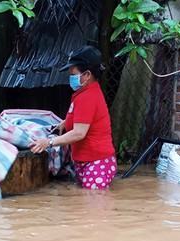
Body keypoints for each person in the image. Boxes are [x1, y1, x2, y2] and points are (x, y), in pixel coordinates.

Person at [30, 46, 117, 190]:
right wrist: (64, 123)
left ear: (87, 75)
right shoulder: (86, 93)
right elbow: (82, 118)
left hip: (95, 162)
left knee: (93, 205)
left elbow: (79, 133)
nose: (70, 76)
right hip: (88, 161)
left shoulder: (87, 97)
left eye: (73, 73)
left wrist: (49, 142)